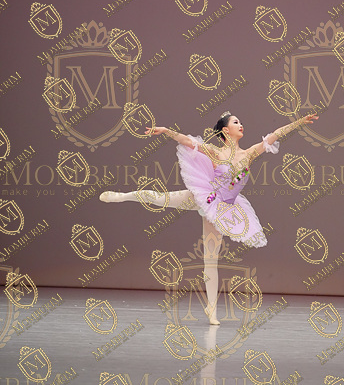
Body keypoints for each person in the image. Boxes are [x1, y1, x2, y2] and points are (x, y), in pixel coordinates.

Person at [100, 110, 319, 324]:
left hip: (224, 210)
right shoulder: (215, 152)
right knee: (161, 198)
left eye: (240, 121)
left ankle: (211, 309)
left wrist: (298, 122)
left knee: (211, 260)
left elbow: (274, 135)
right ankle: (122, 196)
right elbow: (188, 141)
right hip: (207, 198)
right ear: (226, 130)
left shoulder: (249, 153)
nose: (241, 124)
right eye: (236, 122)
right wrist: (166, 131)